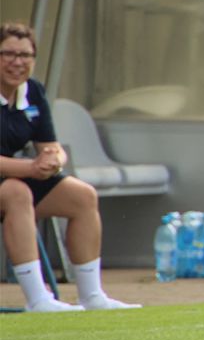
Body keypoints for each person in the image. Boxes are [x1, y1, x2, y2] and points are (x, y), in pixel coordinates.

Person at [0, 22, 140, 312]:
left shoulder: (33, 91)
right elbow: (25, 168)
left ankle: (91, 296)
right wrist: (32, 168)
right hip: (12, 184)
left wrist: (55, 160)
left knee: (82, 195)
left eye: (26, 55)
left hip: (17, 178)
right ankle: (38, 300)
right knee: (17, 192)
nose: (17, 62)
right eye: (9, 54)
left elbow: (50, 146)